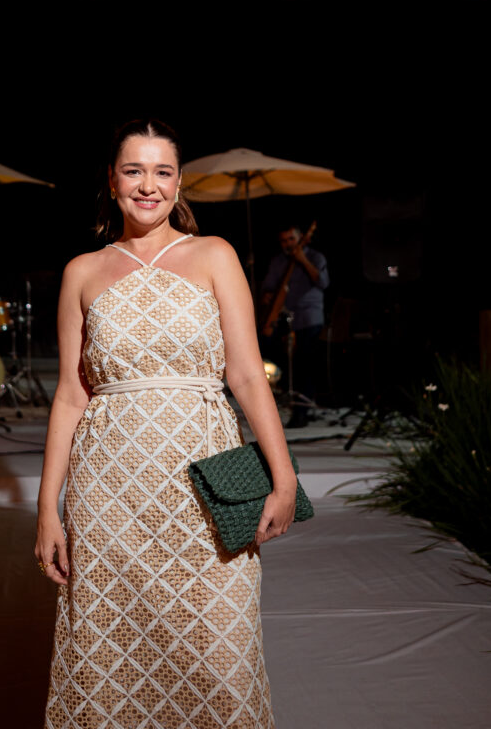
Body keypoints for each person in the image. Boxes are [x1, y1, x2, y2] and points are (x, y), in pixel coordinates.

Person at [35, 119, 297, 729]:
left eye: (162, 172)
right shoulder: (82, 271)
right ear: (112, 181)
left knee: (220, 650)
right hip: (109, 493)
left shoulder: (214, 255)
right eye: (134, 171)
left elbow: (247, 375)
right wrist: (48, 508)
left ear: (179, 184)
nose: (147, 185)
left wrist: (283, 477)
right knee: (108, 647)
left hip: (206, 484)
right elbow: (71, 395)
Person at [259, 226, 329, 427]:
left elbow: (323, 282)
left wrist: (303, 260)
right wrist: (267, 295)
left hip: (309, 316)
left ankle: (301, 412)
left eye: (291, 239)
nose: (288, 244)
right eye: (284, 240)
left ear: (300, 239)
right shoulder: (278, 261)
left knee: (305, 363)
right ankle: (283, 399)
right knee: (270, 350)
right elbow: (268, 287)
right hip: (284, 317)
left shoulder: (315, 257)